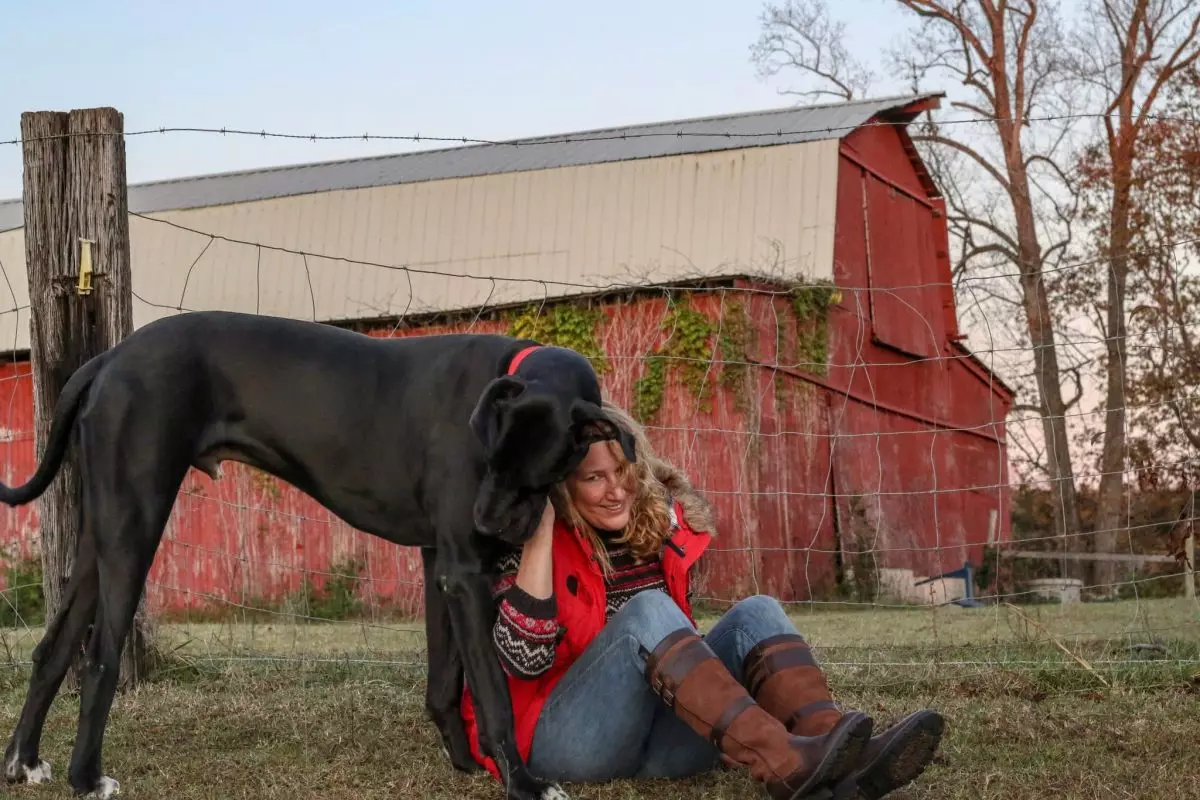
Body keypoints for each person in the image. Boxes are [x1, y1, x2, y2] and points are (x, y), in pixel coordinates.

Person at [460, 402, 944, 799]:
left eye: (624, 471)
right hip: (562, 741)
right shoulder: (529, 540)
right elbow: (523, 663)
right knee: (647, 611)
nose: (616, 491)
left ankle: (834, 754)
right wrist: (539, 531)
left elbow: (679, 660)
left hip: (657, 746)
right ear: (561, 485)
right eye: (594, 478)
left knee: (757, 611)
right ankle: (783, 758)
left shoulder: (656, 531)